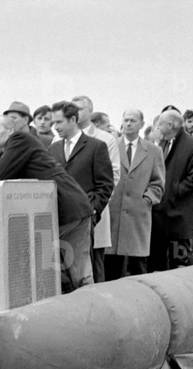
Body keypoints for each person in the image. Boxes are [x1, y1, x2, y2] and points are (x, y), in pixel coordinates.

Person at [0, 115, 94, 290]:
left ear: (10, 130)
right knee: (64, 273)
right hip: (64, 210)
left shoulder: (19, 139)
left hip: (69, 210)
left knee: (77, 275)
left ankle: (92, 310)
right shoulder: (15, 146)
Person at [49, 100, 114, 283]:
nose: (55, 127)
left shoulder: (96, 147)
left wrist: (93, 211)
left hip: (83, 221)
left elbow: (105, 185)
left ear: (73, 119)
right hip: (59, 221)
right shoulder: (53, 149)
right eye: (54, 123)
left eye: (59, 122)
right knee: (61, 275)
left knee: (83, 273)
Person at [106, 109, 166, 280]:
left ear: (141, 124)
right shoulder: (111, 146)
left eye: (133, 120)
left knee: (137, 263)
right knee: (112, 262)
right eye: (126, 120)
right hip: (113, 211)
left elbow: (158, 183)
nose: (129, 123)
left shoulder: (153, 151)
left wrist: (147, 199)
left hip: (138, 213)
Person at [72, 95, 121, 283]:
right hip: (69, 215)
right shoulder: (58, 141)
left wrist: (94, 207)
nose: (75, 112)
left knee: (95, 262)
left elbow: (113, 176)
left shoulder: (105, 139)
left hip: (94, 211)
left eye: (80, 108)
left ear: (90, 112)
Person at [149, 110, 193, 271]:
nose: (157, 127)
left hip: (178, 215)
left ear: (171, 125)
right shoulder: (159, 144)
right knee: (156, 263)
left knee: (179, 265)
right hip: (157, 214)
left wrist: (174, 191)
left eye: (160, 124)